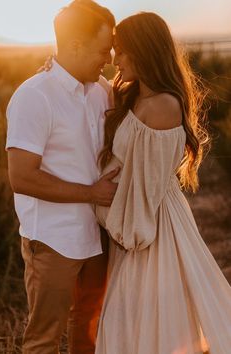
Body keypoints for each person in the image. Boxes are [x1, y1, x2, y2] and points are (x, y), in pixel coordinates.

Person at [95, 12, 231, 354]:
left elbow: (147, 189)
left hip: (148, 227)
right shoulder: (135, 96)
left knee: (153, 317)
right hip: (130, 221)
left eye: (122, 50)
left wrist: (127, 232)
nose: (115, 59)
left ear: (144, 50)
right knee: (131, 316)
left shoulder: (164, 105)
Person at [5, 1, 118, 353]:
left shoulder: (101, 90)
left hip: (96, 234)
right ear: (74, 46)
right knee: (44, 338)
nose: (109, 58)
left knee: (87, 324)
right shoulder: (34, 97)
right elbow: (22, 178)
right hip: (52, 240)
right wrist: (92, 193)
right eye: (103, 49)